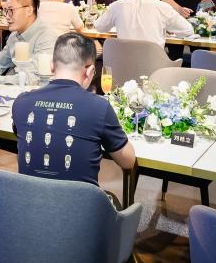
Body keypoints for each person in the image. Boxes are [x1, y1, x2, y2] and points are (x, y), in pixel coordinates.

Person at [12, 33, 135, 186]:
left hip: (28, 199)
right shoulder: (99, 107)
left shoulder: (22, 102)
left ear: (52, 66)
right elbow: (128, 161)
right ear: (90, 71)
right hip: (80, 202)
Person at [93, 0, 193, 49]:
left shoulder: (117, 5)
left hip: (124, 65)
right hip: (155, 66)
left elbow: (99, 26)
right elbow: (188, 30)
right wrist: (169, 29)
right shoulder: (163, 7)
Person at [0, 0, 58, 75]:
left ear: (29, 11)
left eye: (11, 10)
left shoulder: (47, 37)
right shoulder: (14, 36)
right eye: (6, 11)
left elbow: (33, 77)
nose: (7, 17)